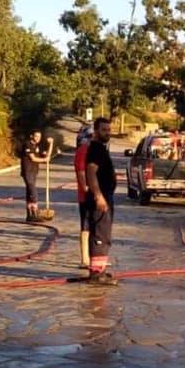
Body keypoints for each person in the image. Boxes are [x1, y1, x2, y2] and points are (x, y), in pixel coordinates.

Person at [85, 117, 118, 285]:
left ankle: (100, 269)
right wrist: (98, 196)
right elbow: (91, 173)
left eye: (109, 130)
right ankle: (96, 274)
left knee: (104, 233)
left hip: (106, 196)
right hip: (101, 197)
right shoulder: (96, 149)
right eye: (104, 130)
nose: (107, 133)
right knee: (100, 234)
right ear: (96, 131)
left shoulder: (101, 148)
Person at [20, 130, 52, 221]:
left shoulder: (37, 146)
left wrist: (51, 144)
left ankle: (29, 214)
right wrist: (44, 159)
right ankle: (35, 213)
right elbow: (33, 158)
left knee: (30, 193)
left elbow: (47, 156)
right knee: (33, 192)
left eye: (39, 137)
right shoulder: (27, 145)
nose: (38, 138)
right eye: (36, 136)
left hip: (34, 172)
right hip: (27, 172)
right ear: (31, 136)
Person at [73, 127, 93, 269]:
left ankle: (95, 258)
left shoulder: (97, 151)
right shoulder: (83, 151)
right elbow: (81, 171)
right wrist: (85, 187)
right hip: (86, 195)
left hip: (97, 194)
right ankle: (85, 259)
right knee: (85, 226)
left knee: (96, 227)